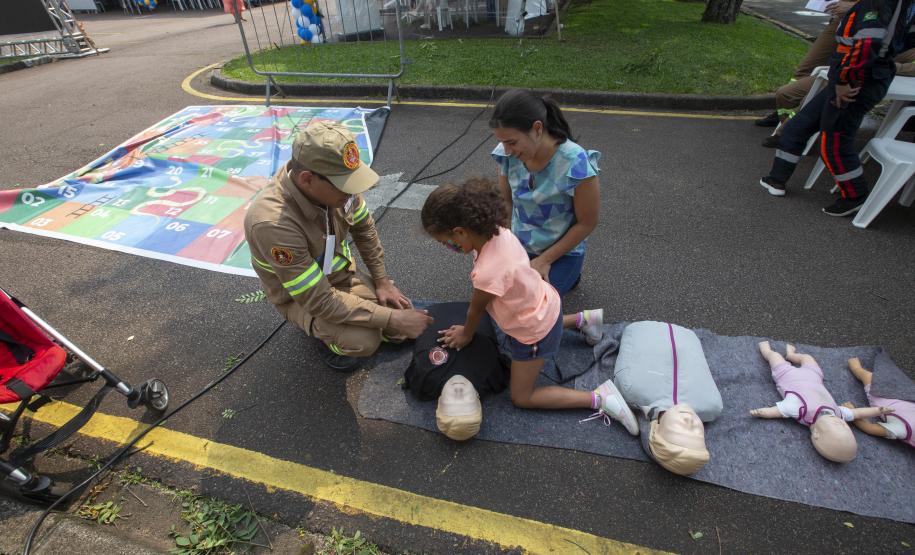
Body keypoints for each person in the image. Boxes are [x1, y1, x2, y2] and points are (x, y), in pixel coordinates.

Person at [420, 179, 637, 433]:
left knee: (522, 397)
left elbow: (476, 310)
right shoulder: (499, 231)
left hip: (532, 333)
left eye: (445, 241)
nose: (448, 248)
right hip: (545, 304)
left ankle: (599, 397)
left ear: (460, 231)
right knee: (516, 326)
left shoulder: (488, 272)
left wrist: (466, 333)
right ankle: (583, 320)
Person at [243, 121, 432, 372]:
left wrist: (382, 280)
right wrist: (392, 319)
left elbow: (364, 228)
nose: (353, 191)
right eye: (344, 185)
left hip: (339, 275)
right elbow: (319, 299)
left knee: (399, 317)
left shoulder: (338, 190)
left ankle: (364, 321)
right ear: (307, 179)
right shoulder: (272, 224)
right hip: (301, 298)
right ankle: (325, 337)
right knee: (365, 341)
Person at [757, 0, 914, 216]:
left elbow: (867, 45)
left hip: (855, 83)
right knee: (798, 127)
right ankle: (776, 179)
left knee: (834, 143)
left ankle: (855, 195)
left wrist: (844, 81)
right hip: (850, 78)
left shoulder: (879, 4)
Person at [489, 89, 601, 296]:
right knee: (492, 292)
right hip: (520, 245)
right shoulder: (507, 155)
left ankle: (579, 315)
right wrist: (499, 244)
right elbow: (505, 202)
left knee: (530, 304)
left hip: (561, 254)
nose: (506, 150)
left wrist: (544, 260)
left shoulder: (576, 163)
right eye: (502, 142)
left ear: (537, 128)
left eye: (511, 142)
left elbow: (587, 222)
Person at [750, 342, 893, 463]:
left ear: (816, 433)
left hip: (786, 375)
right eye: (845, 428)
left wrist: (761, 412)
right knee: (807, 358)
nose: (842, 424)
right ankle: (791, 355)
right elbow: (857, 413)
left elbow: (778, 411)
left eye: (837, 427)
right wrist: (878, 410)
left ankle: (766, 350)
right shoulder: (838, 414)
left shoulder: (802, 411)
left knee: (774, 357)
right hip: (814, 376)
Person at [756, 2, 857, 145]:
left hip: (867, 25)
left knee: (825, 80)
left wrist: (854, 8)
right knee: (805, 69)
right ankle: (783, 112)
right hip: (841, 20)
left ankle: (789, 128)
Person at [842, 357, 914, 448]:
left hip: (881, 399)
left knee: (869, 377)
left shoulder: (903, 429)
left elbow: (869, 428)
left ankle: (857, 369)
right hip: (905, 397)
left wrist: (853, 413)